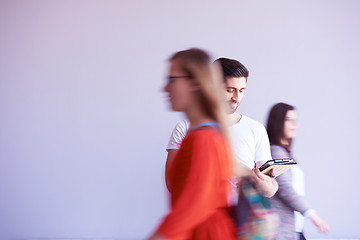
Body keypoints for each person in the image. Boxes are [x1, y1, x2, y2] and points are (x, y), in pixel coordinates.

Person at [148, 48, 237, 239]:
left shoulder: (204, 139)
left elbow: (190, 209)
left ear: (195, 82)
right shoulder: (203, 136)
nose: (164, 88)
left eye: (172, 80)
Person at [165, 57, 278, 200]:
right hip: (203, 216)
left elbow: (269, 190)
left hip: (240, 218)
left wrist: (266, 185)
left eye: (242, 90)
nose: (237, 98)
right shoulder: (184, 128)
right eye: (230, 90)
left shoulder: (256, 129)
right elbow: (172, 183)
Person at [266, 102, 330, 240]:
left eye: (295, 120)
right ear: (277, 122)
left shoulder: (285, 153)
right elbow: (287, 190)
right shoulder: (276, 152)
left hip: (294, 229)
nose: (294, 124)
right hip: (281, 231)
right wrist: (312, 215)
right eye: (289, 120)